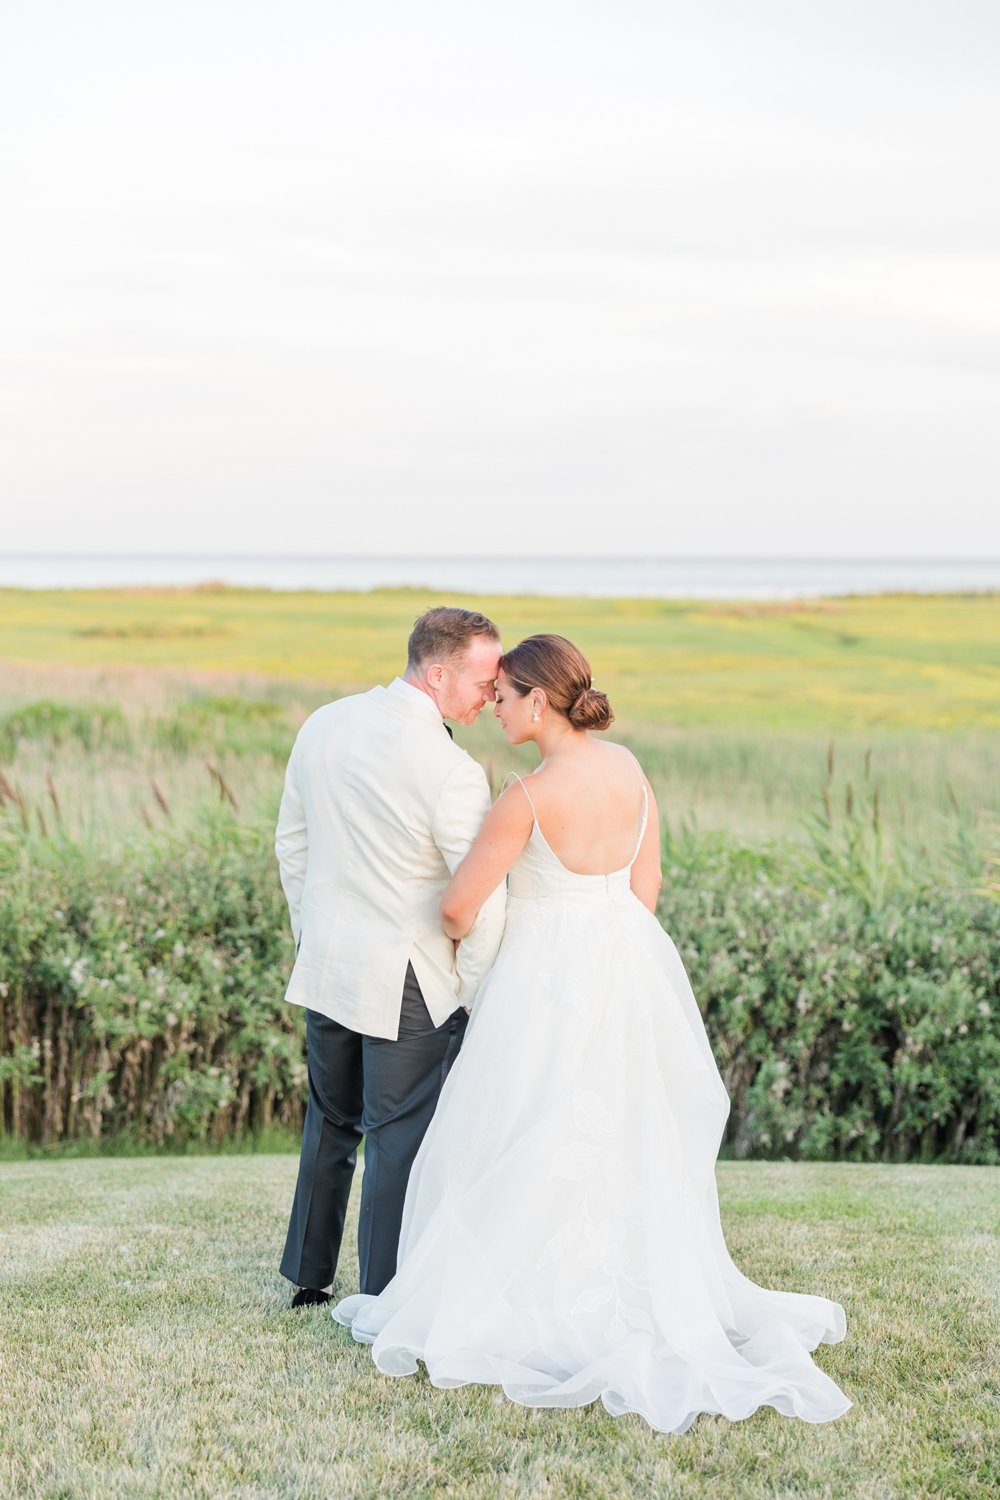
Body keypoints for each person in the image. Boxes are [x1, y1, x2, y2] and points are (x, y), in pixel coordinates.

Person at [333, 634, 850, 1434]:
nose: (495, 709)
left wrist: (498, 943)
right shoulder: (631, 770)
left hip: (545, 979)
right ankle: (632, 1287)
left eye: (504, 697)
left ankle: (531, 1294)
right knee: (623, 1128)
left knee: (527, 1125)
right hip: (630, 969)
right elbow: (646, 889)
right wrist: (602, 943)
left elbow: (457, 908)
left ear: (539, 701)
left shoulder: (526, 798)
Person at [275, 606, 507, 1306]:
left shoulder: (324, 724)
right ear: (437, 674)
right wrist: (470, 987)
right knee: (398, 1136)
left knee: (331, 1122)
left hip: (328, 961)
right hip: (408, 979)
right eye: (482, 681)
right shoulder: (451, 770)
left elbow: (292, 844)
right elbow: (481, 899)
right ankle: (384, 1299)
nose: (491, 695)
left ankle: (309, 1282)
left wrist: (311, 934)